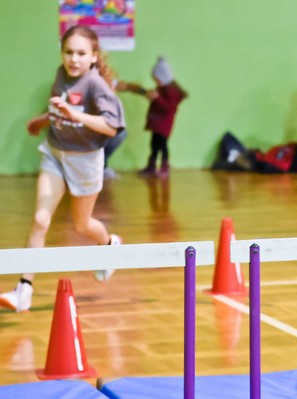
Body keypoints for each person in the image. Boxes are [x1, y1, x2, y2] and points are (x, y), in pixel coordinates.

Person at [0, 25, 125, 313]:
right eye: (69, 52)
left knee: (82, 225)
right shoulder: (61, 74)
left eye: (81, 53)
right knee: (41, 218)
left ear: (94, 56)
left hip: (85, 161)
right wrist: (43, 120)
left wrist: (76, 115)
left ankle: (109, 244)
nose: (74, 59)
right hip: (55, 155)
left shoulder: (97, 86)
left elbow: (111, 126)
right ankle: (24, 290)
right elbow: (62, 107)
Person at [119, 56, 186, 179]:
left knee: (162, 145)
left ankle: (165, 166)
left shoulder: (171, 92)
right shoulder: (161, 89)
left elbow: (168, 108)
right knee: (154, 145)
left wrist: (157, 98)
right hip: (157, 123)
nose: (156, 82)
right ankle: (152, 166)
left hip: (164, 124)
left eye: (158, 79)